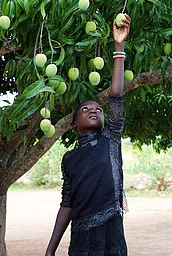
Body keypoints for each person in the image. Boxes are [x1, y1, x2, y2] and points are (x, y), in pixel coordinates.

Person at [45, 14, 131, 256]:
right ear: (74, 124)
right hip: (81, 236)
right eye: (86, 109)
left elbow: (116, 95)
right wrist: (50, 250)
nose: (93, 110)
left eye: (98, 109)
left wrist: (119, 47)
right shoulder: (69, 159)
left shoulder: (110, 139)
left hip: (111, 232)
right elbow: (67, 204)